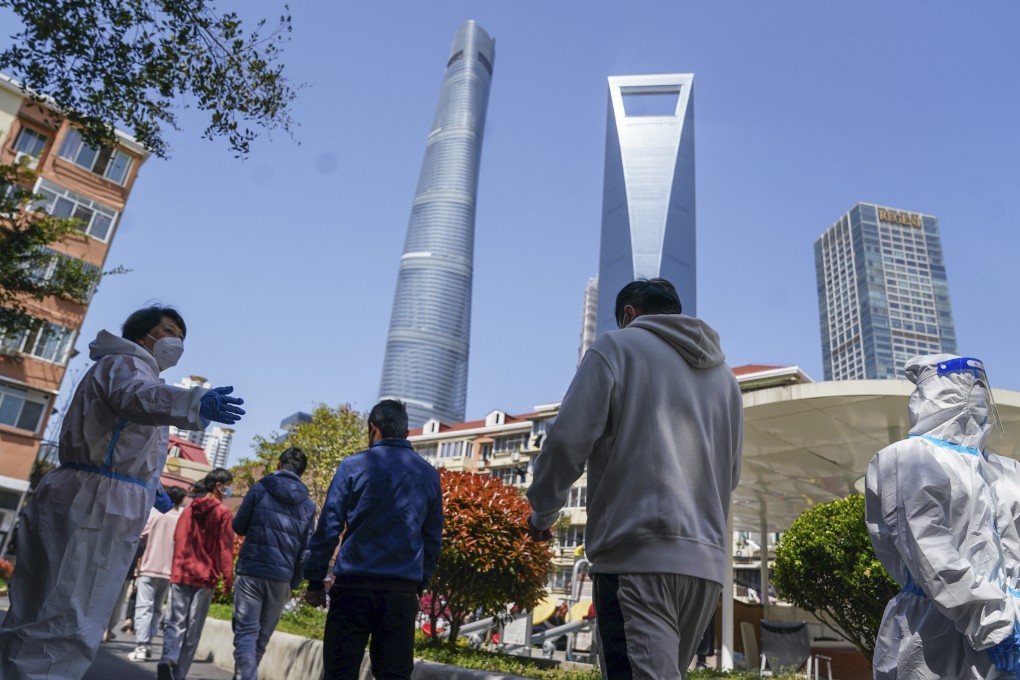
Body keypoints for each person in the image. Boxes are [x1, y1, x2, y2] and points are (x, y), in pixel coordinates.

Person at [0, 306, 245, 680]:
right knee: (67, 613)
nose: (175, 342)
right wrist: (192, 402)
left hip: (96, 495)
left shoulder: (130, 369)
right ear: (142, 334)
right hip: (95, 503)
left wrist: (151, 486)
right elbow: (138, 398)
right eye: (167, 330)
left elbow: (125, 440)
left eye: (181, 336)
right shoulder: (126, 366)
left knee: (51, 609)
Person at [525, 278, 743, 680]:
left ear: (628, 314)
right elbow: (730, 476)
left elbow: (565, 443)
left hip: (636, 559)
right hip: (705, 569)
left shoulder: (617, 347)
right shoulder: (726, 379)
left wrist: (542, 514)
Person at [865, 354, 1020, 679]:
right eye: (967, 385)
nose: (979, 397)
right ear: (937, 392)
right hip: (933, 634)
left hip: (1006, 626)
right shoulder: (908, 459)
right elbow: (931, 556)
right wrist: (995, 623)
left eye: (981, 386)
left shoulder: (1004, 470)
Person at [303, 399, 443, 680]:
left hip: (353, 589)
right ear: (406, 434)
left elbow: (330, 526)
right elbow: (432, 539)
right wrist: (420, 583)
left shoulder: (353, 466)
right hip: (400, 593)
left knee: (339, 673)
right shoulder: (429, 475)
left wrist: (315, 580)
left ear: (372, 429)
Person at [231, 447, 317, 680]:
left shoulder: (259, 489)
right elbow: (305, 551)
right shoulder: (309, 506)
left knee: (246, 634)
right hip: (282, 578)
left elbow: (238, 526)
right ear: (301, 472)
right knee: (260, 640)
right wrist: (295, 583)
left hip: (252, 570)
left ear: (279, 465)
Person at [158, 469, 236, 680]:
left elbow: (178, 536)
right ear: (219, 486)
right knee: (193, 627)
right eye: (228, 484)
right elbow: (226, 547)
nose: (229, 489)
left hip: (183, 571)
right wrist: (227, 578)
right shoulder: (223, 513)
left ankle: (168, 658)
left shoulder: (190, 508)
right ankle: (179, 673)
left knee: (176, 620)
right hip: (205, 576)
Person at [128, 485, 188, 661]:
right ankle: (149, 642)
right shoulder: (182, 519)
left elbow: (140, 536)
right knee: (156, 609)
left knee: (144, 607)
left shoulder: (156, 517)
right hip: (169, 571)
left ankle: (142, 646)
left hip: (149, 567)